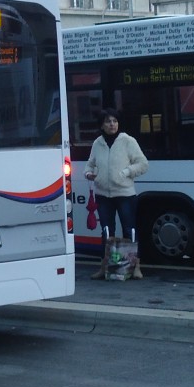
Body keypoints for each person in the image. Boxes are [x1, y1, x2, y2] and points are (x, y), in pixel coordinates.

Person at [84, 108, 149, 279]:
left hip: (125, 194)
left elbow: (143, 164)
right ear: (102, 125)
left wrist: (126, 172)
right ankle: (104, 267)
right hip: (103, 195)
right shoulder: (97, 143)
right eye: (108, 121)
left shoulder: (128, 141)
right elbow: (89, 164)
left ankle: (136, 267)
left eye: (114, 121)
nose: (112, 124)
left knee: (130, 230)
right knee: (106, 231)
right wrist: (88, 174)